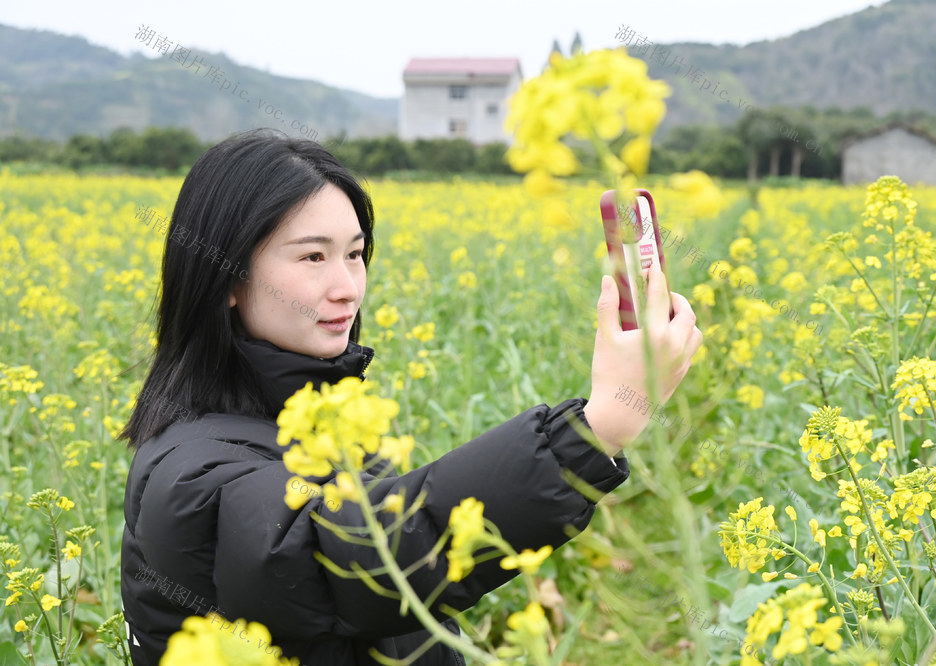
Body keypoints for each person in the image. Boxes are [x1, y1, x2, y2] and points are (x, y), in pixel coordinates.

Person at [118, 129, 702, 665]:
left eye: (354, 253)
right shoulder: (188, 477)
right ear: (225, 280)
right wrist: (597, 430)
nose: (347, 287)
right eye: (312, 256)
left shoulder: (317, 426)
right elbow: (355, 560)